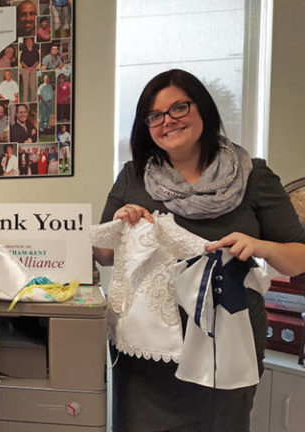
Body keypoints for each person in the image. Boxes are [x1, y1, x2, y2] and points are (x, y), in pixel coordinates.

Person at [93, 69, 305, 431]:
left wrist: (258, 245)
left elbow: (298, 256)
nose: (168, 122)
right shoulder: (133, 175)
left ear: (202, 109)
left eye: (179, 108)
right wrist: (125, 224)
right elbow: (103, 254)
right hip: (146, 355)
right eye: (155, 115)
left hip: (226, 347)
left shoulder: (253, 176)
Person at [19, 37, 39, 102]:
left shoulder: (36, 51)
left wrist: (31, 68)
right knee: (25, 86)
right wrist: (27, 68)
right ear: (26, 43)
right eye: (27, 42)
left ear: (32, 43)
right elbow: (21, 61)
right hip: (25, 69)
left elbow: (37, 61)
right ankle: (25, 101)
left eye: (30, 42)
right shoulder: (23, 52)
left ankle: (33, 101)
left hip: (33, 68)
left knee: (33, 86)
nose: (28, 43)